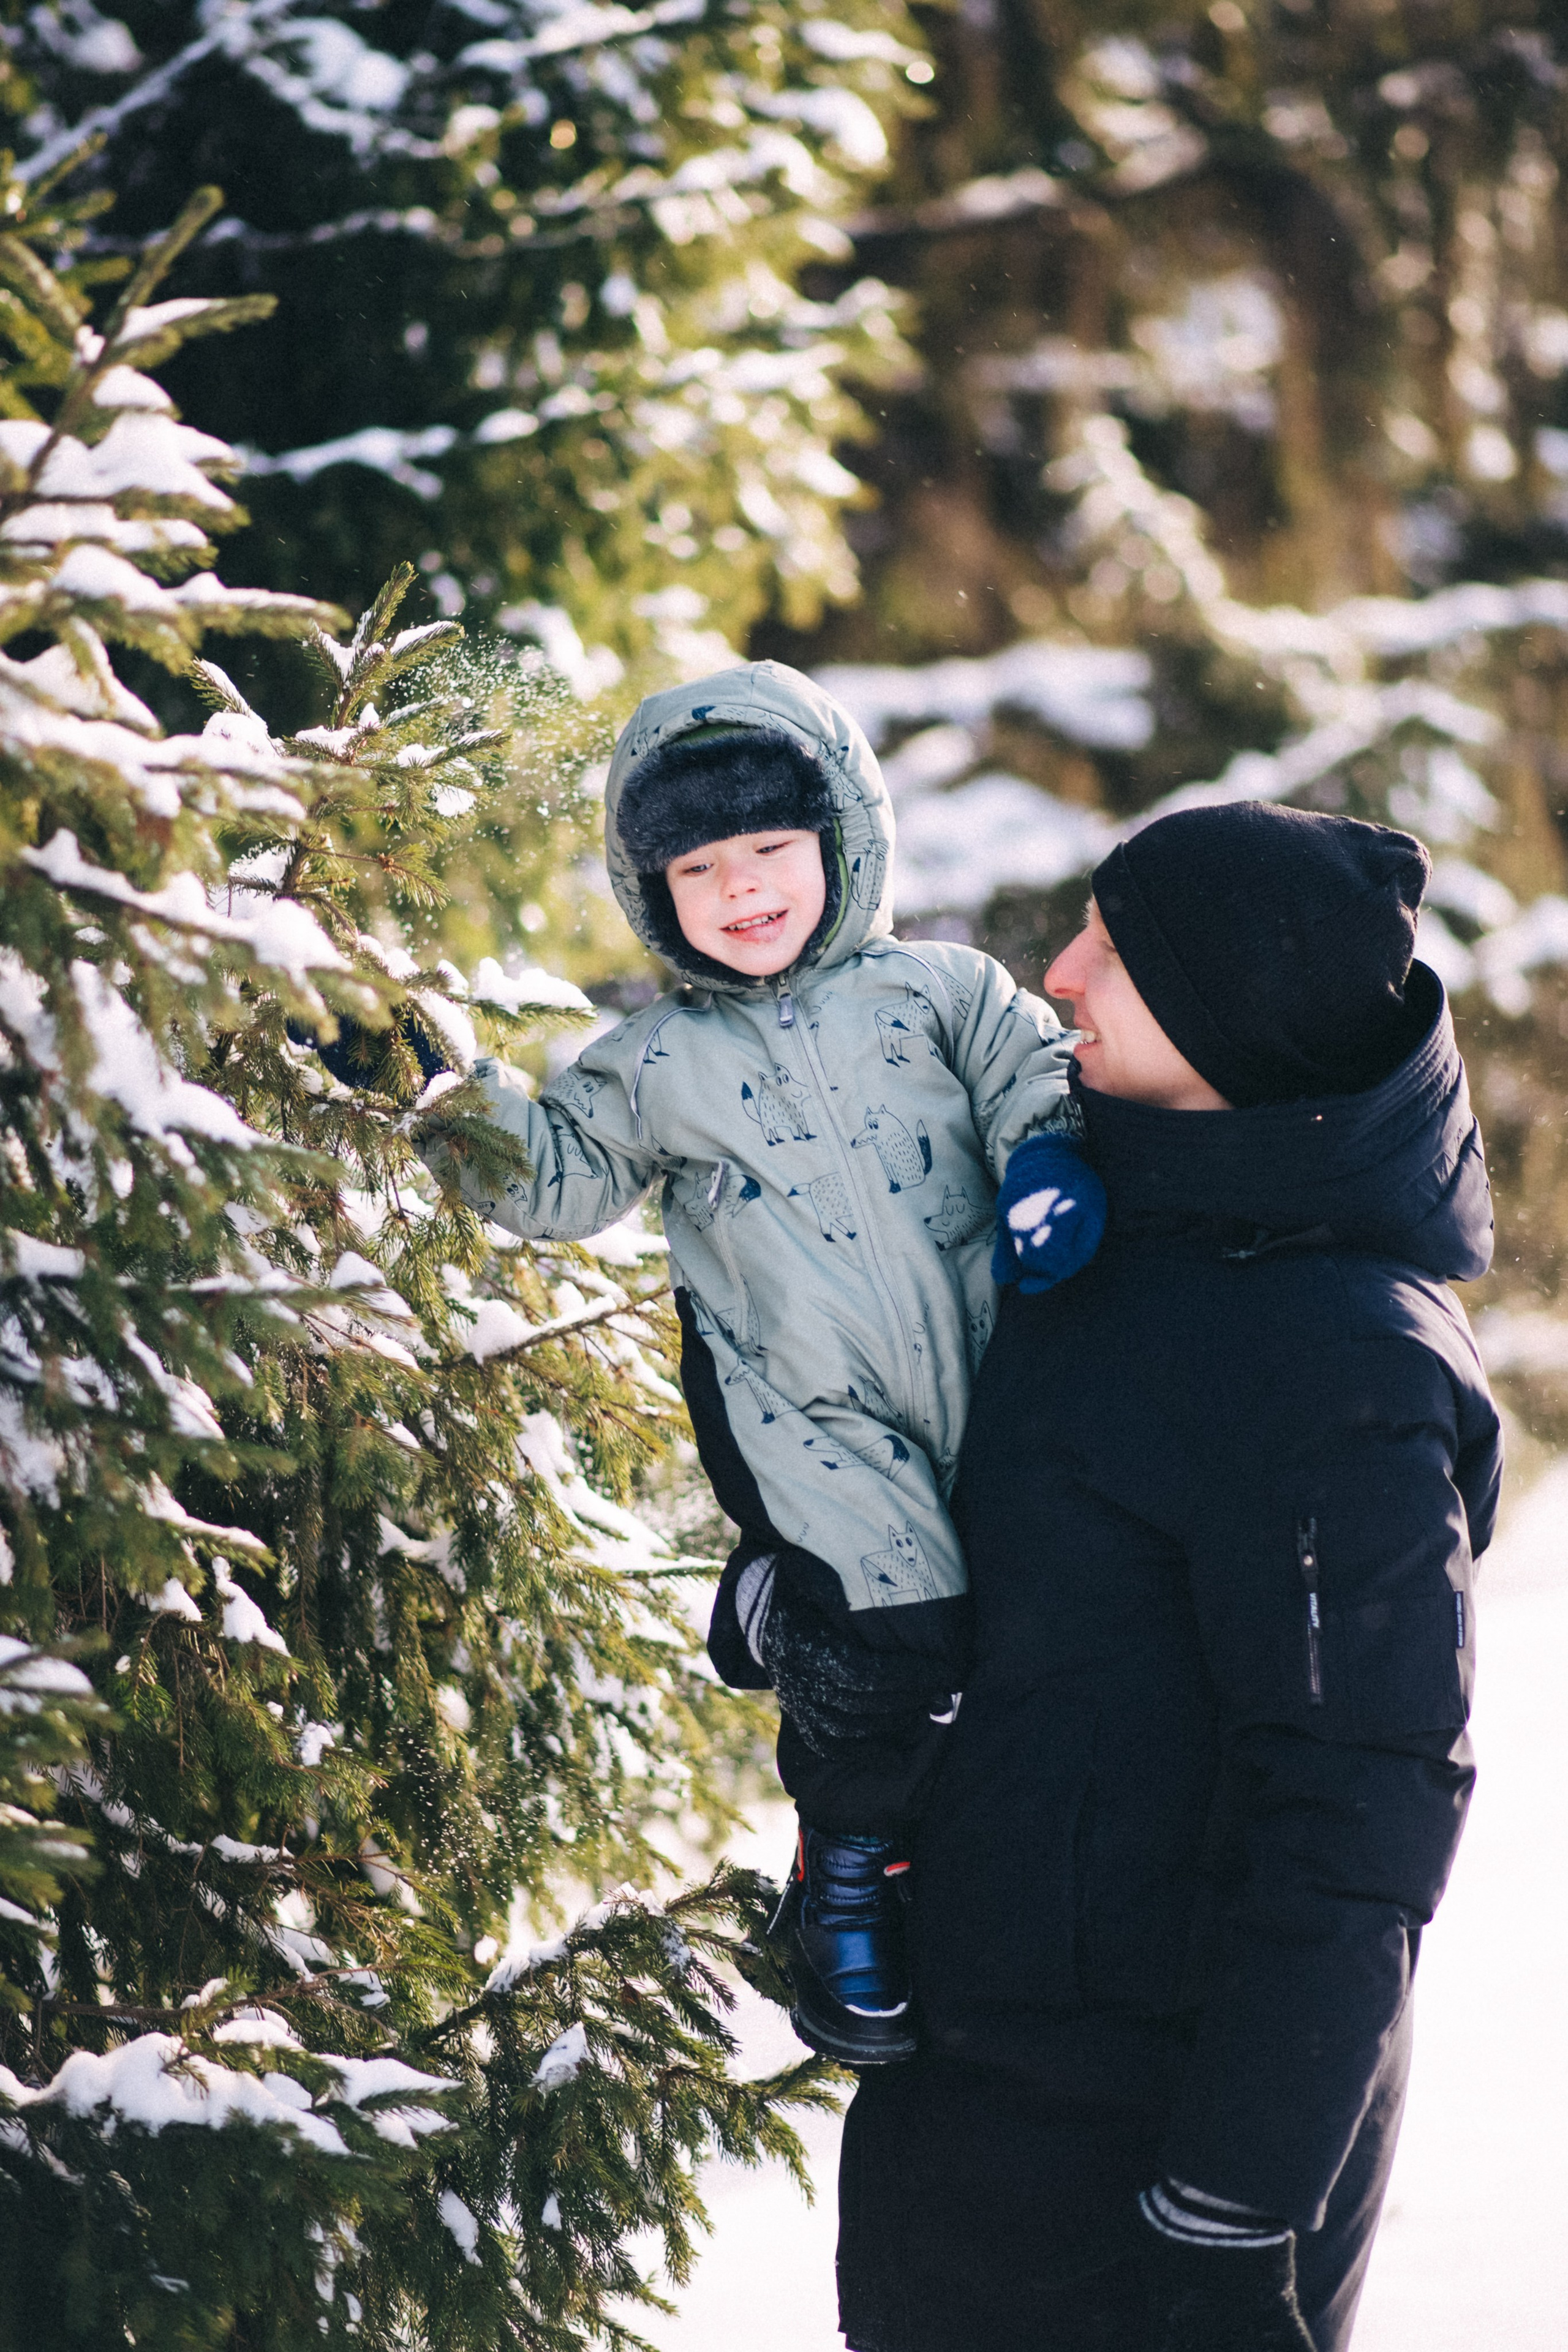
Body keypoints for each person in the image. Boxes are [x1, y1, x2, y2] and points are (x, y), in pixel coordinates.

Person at [317, 660, 1099, 2063]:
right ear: (650, 890)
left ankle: (816, 1657)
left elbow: (1030, 1072)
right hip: (815, 1417)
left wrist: (1048, 1164)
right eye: (696, 867)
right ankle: (846, 1864)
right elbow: (553, 1182)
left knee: (1036, 1625)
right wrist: (439, 1089)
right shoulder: (652, 1060)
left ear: (842, 841)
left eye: (769, 850)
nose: (740, 888)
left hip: (1005, 1373)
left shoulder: (940, 990)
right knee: (896, 1636)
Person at [837, 801, 1502, 2352]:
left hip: (1152, 2163)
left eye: (1115, 950)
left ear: (1229, 1009)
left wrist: (1230, 2200)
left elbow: (1359, 1809)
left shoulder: (1339, 1362)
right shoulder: (1107, 1241)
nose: (1058, 973)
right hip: (990, 2096)